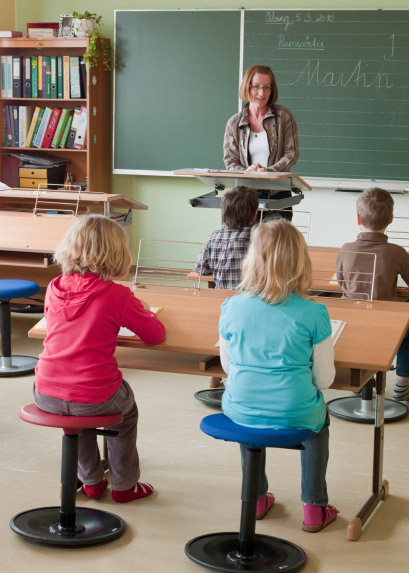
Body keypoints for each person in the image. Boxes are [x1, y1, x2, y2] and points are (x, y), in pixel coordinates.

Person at [33, 214, 166, 503]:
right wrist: (144, 310)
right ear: (117, 253)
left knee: (75, 418)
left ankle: (91, 481)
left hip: (45, 390)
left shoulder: (55, 287)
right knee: (124, 414)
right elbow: (155, 335)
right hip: (93, 395)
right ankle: (123, 485)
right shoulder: (116, 295)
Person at [219, 219, 339, 531]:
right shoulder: (314, 313)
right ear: (300, 262)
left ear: (252, 259)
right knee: (317, 422)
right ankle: (314, 507)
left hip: (241, 406)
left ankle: (256, 498)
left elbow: (228, 368)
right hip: (294, 409)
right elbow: (324, 380)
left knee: (249, 419)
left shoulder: (231, 306)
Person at [336, 187, 409, 404]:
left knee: (361, 328)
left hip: (349, 321)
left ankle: (358, 380)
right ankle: (402, 387)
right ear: (391, 219)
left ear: (358, 218)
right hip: (384, 323)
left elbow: (341, 284)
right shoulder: (397, 252)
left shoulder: (346, 249)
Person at [223, 64, 299, 221]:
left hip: (278, 193)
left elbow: (291, 153)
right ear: (247, 87)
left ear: (272, 90)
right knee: (248, 244)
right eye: (256, 86)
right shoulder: (234, 123)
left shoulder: (283, 116)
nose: (261, 93)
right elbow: (230, 161)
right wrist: (247, 171)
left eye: (267, 87)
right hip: (245, 196)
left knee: (276, 244)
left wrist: (269, 171)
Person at [194, 186, 258, 289]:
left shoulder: (213, 237)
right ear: (255, 214)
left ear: (223, 213)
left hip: (222, 300)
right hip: (251, 300)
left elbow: (200, 269)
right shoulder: (258, 237)